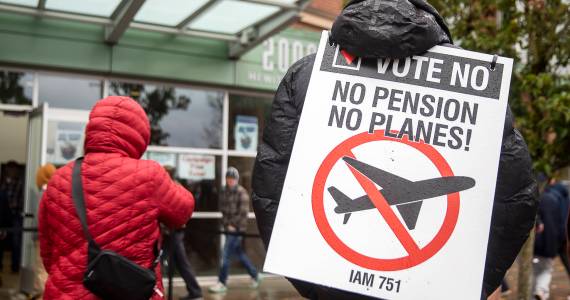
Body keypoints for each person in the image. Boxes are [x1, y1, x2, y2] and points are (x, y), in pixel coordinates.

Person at [251, 1, 538, 299]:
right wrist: (462, 287)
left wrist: (320, 284)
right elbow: (515, 203)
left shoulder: (304, 75)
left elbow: (270, 187)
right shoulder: (475, 84)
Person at [38, 96, 195, 299]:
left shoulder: (59, 179)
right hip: (131, 292)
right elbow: (183, 211)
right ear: (139, 135)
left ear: (92, 129)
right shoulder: (149, 175)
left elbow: (47, 251)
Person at [208, 167, 260, 293]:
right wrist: (226, 225)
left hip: (237, 229)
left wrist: (233, 226)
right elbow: (223, 210)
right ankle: (255, 275)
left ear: (237, 180)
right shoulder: (224, 191)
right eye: (228, 179)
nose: (230, 181)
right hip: (228, 228)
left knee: (225, 254)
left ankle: (222, 282)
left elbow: (243, 213)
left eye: (232, 179)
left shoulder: (242, 193)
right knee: (239, 254)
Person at [162, 166, 203, 300]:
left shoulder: (173, 187)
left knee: (178, 262)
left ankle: (195, 291)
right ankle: (194, 291)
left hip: (174, 232)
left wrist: (179, 221)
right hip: (169, 232)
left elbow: (181, 207)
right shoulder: (171, 186)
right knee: (175, 262)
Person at [533, 183, 568, 300]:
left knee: (538, 269)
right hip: (550, 244)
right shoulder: (560, 200)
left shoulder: (544, 197)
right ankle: (541, 291)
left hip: (537, 243)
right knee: (546, 270)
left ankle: (537, 291)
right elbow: (560, 226)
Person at [0, 160, 24, 274]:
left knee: (16, 241)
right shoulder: (4, 183)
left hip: (15, 216)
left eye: (12, 169)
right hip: (3, 215)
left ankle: (15, 267)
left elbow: (19, 201)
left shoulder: (20, 183)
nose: (10, 172)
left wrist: (10, 206)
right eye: (8, 169)